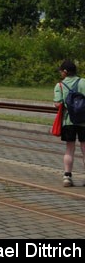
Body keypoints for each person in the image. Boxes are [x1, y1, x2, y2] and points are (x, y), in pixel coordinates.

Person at [54, 59, 85, 187]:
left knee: (69, 148)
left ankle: (67, 177)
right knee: (84, 148)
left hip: (68, 120)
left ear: (65, 72)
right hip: (84, 120)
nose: (61, 73)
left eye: (61, 71)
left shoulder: (60, 85)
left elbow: (57, 104)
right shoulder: (83, 82)